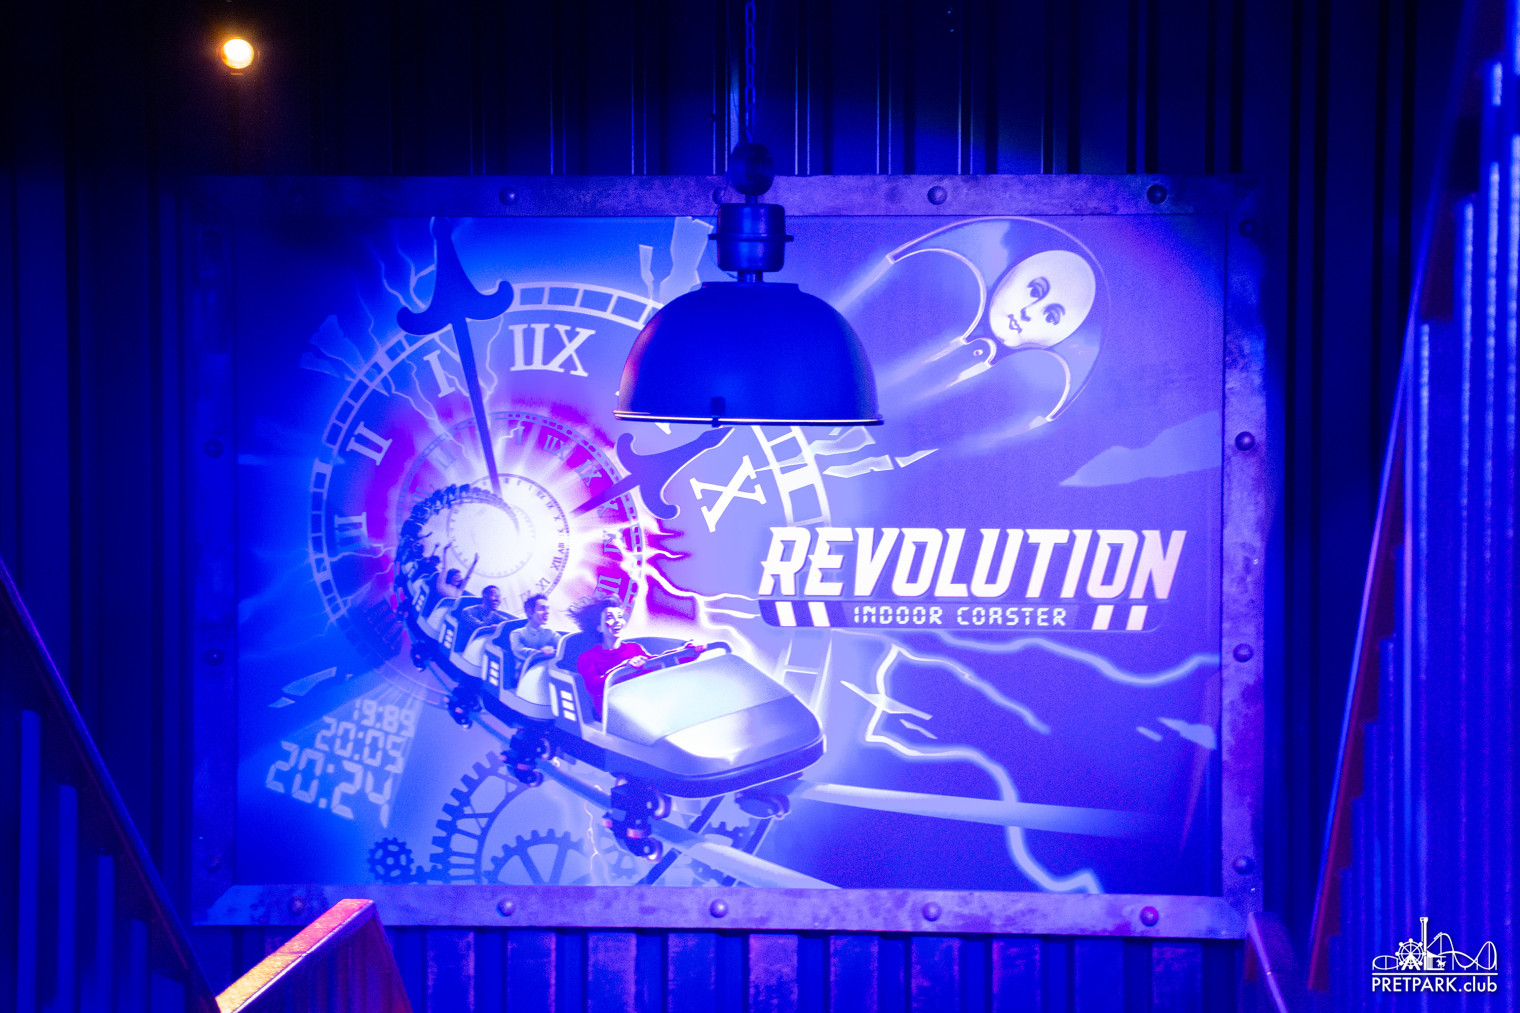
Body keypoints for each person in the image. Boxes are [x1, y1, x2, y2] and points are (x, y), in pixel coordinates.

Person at [508, 593, 560, 686]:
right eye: (542, 609)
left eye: (547, 608)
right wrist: (540, 653)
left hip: (545, 674)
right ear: (530, 612)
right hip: (524, 676)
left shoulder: (550, 633)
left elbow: (562, 645)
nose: (547, 612)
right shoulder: (517, 634)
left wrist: (554, 650)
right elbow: (518, 650)